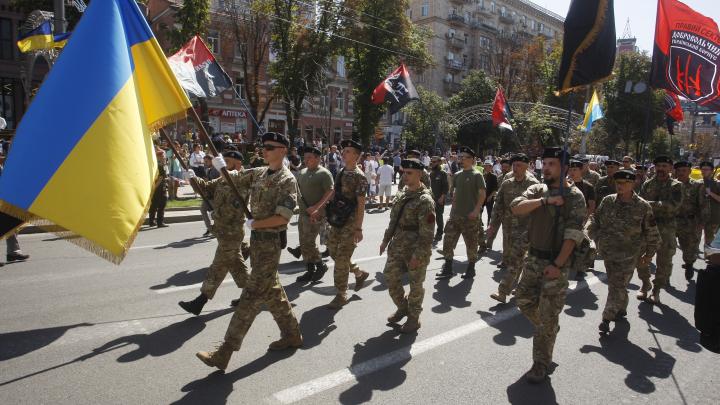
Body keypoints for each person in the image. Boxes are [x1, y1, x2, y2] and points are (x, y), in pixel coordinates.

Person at [196, 132, 302, 371]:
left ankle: (224, 352)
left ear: (283, 150)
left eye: (270, 147)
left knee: (250, 298)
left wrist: (255, 224)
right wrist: (220, 166)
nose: (264, 150)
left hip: (270, 244)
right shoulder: (260, 172)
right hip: (257, 243)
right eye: (263, 147)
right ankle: (292, 334)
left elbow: (282, 218)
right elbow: (234, 179)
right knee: (272, 291)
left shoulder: (287, 180)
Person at [509, 147, 586, 383]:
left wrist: (558, 264)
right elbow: (516, 207)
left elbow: (573, 235)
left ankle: (541, 364)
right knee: (522, 300)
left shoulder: (574, 196)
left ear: (564, 168)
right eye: (545, 163)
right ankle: (549, 327)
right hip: (533, 259)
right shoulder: (537, 190)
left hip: (556, 262)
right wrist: (545, 201)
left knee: (546, 318)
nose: (547, 168)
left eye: (552, 164)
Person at [587, 170, 660, 334]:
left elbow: (653, 234)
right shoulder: (607, 201)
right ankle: (621, 308)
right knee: (617, 284)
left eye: (625, 183)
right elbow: (594, 220)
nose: (620, 186)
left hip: (629, 255)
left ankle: (606, 318)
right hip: (607, 252)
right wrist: (595, 236)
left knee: (617, 285)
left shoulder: (642, 206)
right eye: (618, 183)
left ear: (633, 184)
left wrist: (648, 255)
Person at [179, 150, 249, 315]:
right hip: (223, 230)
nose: (223, 164)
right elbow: (206, 189)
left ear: (237, 163)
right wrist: (193, 178)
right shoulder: (222, 180)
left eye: (228, 161)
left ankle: (200, 302)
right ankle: (252, 295)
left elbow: (237, 200)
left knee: (219, 267)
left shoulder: (243, 179)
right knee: (227, 267)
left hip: (232, 231)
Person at [380, 158, 435, 333]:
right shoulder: (402, 193)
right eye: (404, 172)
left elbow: (427, 234)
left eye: (409, 173)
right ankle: (403, 308)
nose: (405, 176)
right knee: (390, 277)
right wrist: (385, 240)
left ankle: (414, 318)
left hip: (415, 248)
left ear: (419, 174)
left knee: (415, 284)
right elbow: (393, 220)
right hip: (398, 244)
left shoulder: (425, 200)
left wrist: (417, 256)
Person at [488, 153, 539, 303]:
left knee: (515, 260)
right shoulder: (507, 182)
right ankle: (520, 288)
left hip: (526, 228)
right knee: (515, 259)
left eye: (519, 166)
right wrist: (492, 225)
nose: (515, 168)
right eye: (514, 165)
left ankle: (503, 292)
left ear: (527, 166)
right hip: (508, 226)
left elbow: (538, 209)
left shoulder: (533, 184)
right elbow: (498, 205)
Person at [326, 139, 370, 309]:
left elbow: (361, 204)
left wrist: (358, 228)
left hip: (350, 224)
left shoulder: (360, 177)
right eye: (344, 151)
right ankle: (359, 273)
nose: (343, 153)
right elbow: (334, 194)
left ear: (357, 156)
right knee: (333, 251)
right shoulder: (341, 172)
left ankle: (341, 293)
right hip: (338, 219)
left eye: (348, 151)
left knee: (341, 259)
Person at [636, 156, 683, 304]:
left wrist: (650, 205)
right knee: (640, 257)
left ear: (670, 168)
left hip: (667, 228)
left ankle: (656, 290)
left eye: (664, 166)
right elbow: (639, 204)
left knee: (664, 261)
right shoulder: (647, 184)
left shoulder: (677, 186)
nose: (661, 169)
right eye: (658, 166)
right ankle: (645, 283)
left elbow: (673, 206)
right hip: (648, 226)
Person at [436, 146, 486, 280]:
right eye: (460, 157)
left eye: (464, 157)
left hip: (470, 216)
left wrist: (476, 210)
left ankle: (471, 268)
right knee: (448, 241)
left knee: (471, 243)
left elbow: (482, 194)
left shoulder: (477, 175)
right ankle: (447, 268)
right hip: (455, 215)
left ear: (472, 159)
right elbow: (455, 195)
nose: (461, 159)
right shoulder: (457, 175)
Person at [293, 146, 334, 283]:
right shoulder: (302, 172)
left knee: (309, 242)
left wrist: (317, 208)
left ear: (318, 158)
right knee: (303, 242)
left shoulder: (324, 173)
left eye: (309, 157)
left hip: (316, 214)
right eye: (305, 157)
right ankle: (309, 270)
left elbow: (330, 193)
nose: (306, 160)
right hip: (303, 213)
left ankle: (320, 265)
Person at [674, 161, 703, 281]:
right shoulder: (671, 184)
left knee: (689, 247)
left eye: (684, 170)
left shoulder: (697, 186)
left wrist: (702, 221)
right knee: (666, 247)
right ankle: (665, 273)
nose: (681, 173)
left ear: (689, 172)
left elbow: (703, 204)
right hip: (672, 220)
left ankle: (689, 264)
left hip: (690, 222)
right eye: (679, 171)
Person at [568, 159, 597, 279]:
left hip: (583, 219)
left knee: (585, 243)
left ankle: (581, 269)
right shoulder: (565, 184)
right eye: (570, 169)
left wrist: (584, 221)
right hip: (567, 218)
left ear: (581, 171)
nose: (572, 172)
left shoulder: (588, 187)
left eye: (575, 169)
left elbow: (591, 206)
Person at [200, 155, 221, 237]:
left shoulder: (216, 170)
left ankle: (216, 229)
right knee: (203, 209)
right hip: (208, 195)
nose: (205, 163)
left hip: (214, 195)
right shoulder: (208, 170)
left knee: (215, 213)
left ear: (212, 161)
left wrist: (207, 182)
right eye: (204, 161)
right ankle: (210, 228)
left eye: (206, 161)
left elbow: (217, 182)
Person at [429, 156, 449, 243]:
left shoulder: (442, 173)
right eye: (431, 161)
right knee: (429, 216)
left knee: (439, 216)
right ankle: (429, 233)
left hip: (439, 198)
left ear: (438, 162)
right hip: (430, 199)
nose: (432, 163)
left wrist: (442, 197)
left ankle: (439, 232)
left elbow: (446, 187)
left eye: (434, 162)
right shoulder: (431, 173)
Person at [700, 161, 720, 246]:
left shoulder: (717, 184)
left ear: (712, 171)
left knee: (712, 242)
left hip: (714, 217)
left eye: (706, 169)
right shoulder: (698, 183)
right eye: (702, 169)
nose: (704, 171)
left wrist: (711, 193)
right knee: (706, 242)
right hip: (700, 217)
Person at [148, 150, 170, 228]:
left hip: (158, 186)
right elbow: (160, 178)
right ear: (160, 157)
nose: (165, 156)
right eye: (163, 155)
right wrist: (154, 188)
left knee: (154, 204)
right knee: (162, 204)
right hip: (160, 187)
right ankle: (160, 222)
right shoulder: (160, 166)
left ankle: (151, 221)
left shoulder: (159, 165)